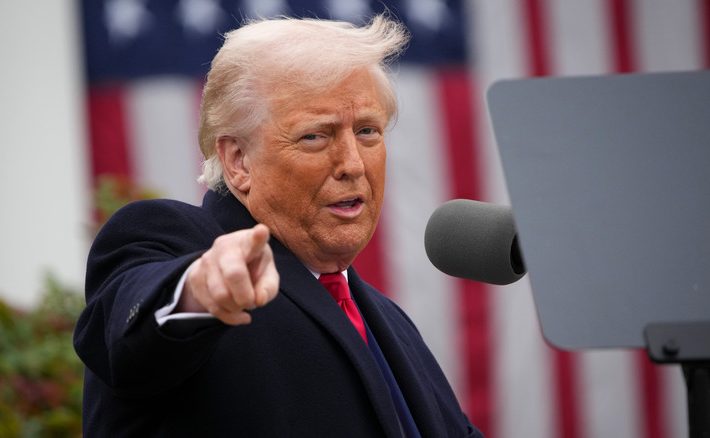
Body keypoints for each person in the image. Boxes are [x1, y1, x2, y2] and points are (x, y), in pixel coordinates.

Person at [73, 14, 484, 437]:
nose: (353, 164)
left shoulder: (390, 323)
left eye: (367, 131)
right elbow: (126, 329)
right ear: (238, 161)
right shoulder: (177, 246)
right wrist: (196, 293)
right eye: (315, 136)